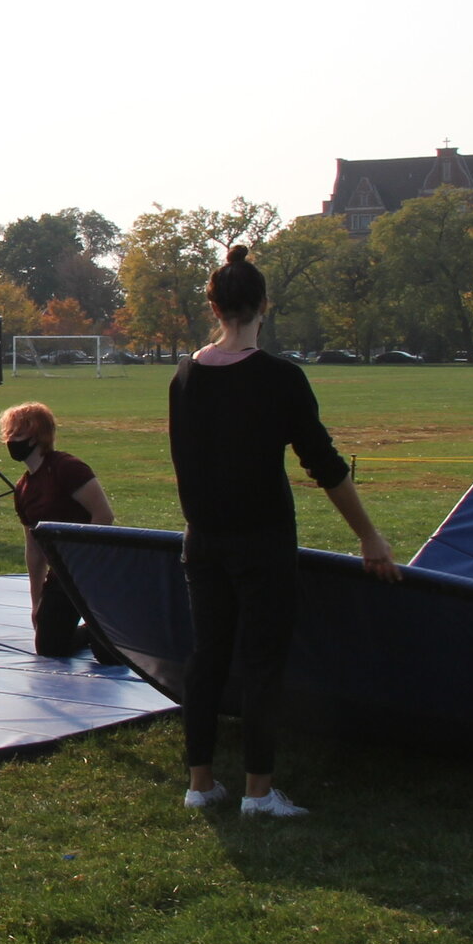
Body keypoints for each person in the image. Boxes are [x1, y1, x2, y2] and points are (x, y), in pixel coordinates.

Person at [170, 244, 400, 820]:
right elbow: (324, 466)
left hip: (202, 540)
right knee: (262, 663)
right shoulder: (280, 379)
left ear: (213, 304)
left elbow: (187, 463)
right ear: (263, 305)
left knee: (209, 657)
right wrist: (370, 536)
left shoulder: (185, 376)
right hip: (262, 540)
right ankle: (257, 792)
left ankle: (200, 782)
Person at [1, 401, 121, 660]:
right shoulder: (23, 488)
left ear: (36, 437)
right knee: (49, 648)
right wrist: (36, 602)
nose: (11, 440)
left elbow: (103, 515)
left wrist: (81, 558)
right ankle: (90, 632)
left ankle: (113, 626)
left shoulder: (68, 468)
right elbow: (33, 548)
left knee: (108, 656)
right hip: (64, 574)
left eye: (18, 434)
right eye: (9, 434)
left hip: (94, 570)